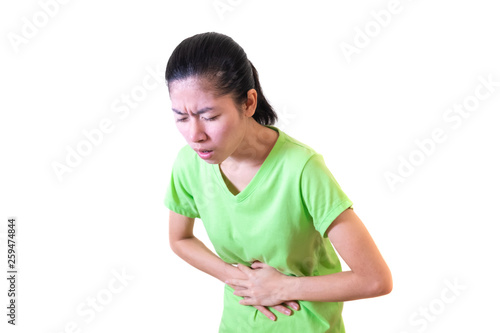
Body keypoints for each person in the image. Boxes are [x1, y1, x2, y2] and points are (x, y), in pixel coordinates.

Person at [165, 32, 392, 332]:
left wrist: (282, 288)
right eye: (181, 117)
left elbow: (375, 278)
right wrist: (236, 278)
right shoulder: (189, 164)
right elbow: (180, 239)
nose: (195, 135)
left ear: (248, 103)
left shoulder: (301, 169)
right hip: (237, 323)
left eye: (210, 116)